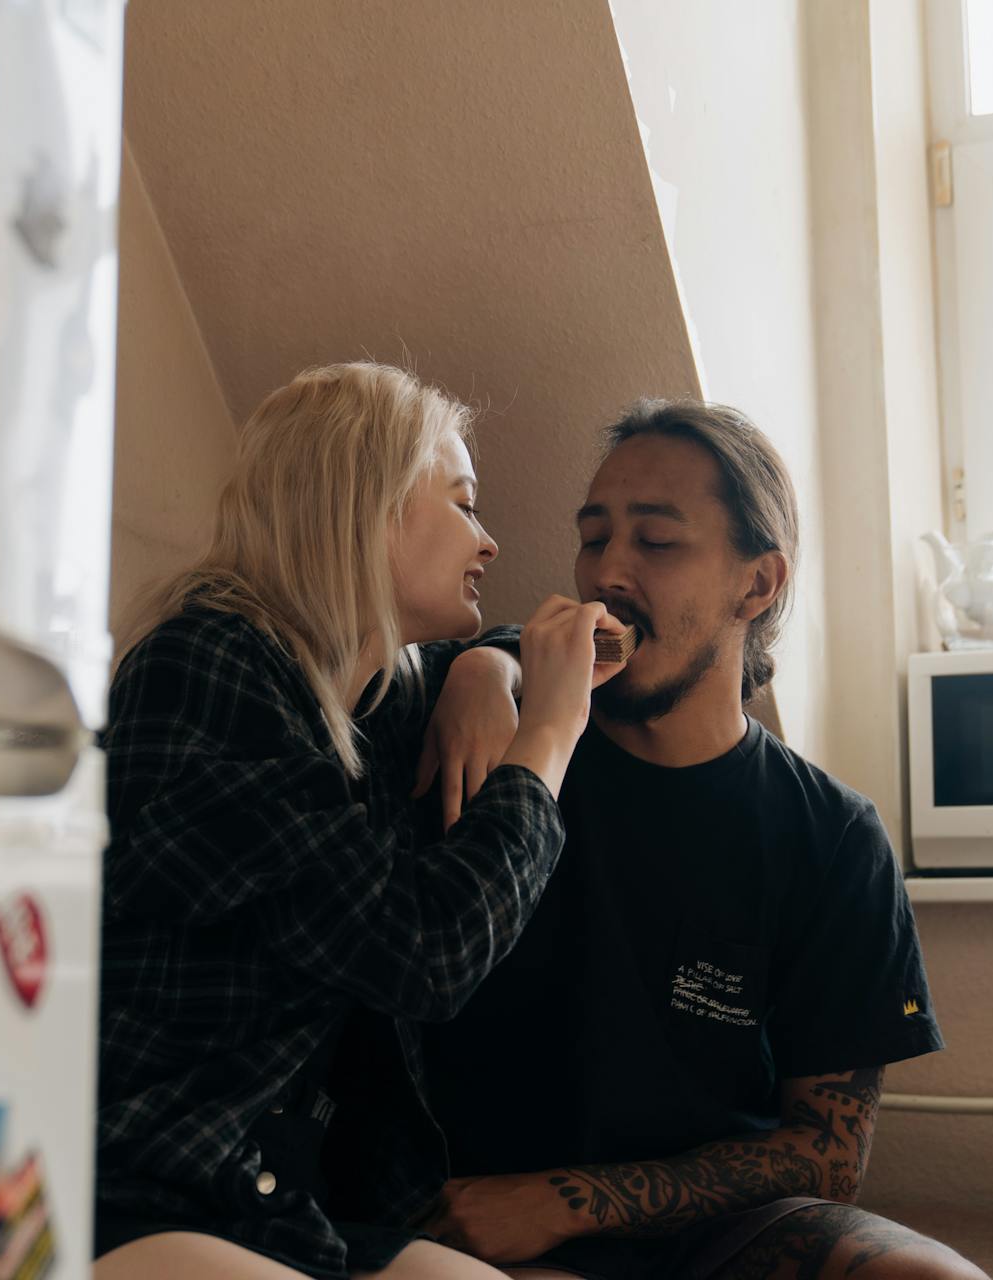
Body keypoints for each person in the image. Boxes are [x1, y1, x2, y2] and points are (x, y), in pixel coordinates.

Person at [413, 400, 984, 1280]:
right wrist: (484, 664)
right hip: (492, 1228)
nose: (609, 571)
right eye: (594, 537)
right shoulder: (514, 749)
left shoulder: (833, 835)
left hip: (723, 1232)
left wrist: (569, 1198)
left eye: (657, 541)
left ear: (756, 585)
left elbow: (829, 1153)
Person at [93, 362, 629, 1280]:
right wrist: (548, 732)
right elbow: (427, 948)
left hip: (275, 1203)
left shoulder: (373, 692)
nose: (491, 542)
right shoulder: (203, 670)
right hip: (145, 1187)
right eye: (463, 504)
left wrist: (483, 672)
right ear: (372, 506)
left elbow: (492, 642)